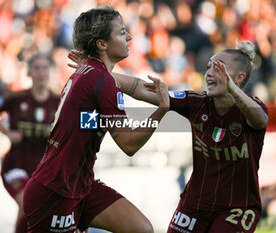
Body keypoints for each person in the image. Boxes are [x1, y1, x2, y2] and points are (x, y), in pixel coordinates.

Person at [69, 40, 269, 232]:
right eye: (208, 67)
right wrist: (98, 74)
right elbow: (142, 89)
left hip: (236, 208)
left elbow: (260, 120)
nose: (208, 72)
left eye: (218, 67)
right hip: (195, 204)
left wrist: (232, 89)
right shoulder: (196, 103)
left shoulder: (253, 108)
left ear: (239, 77)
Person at [23, 6, 170, 233]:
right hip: (55, 191)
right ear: (102, 44)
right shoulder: (101, 81)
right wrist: (160, 113)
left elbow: (91, 120)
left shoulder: (91, 73)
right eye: (121, 32)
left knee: (141, 229)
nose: (129, 36)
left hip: (81, 185)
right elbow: (128, 144)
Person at [0, 54, 60, 233]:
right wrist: (6, 132)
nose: (41, 72)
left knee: (33, 210)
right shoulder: (15, 98)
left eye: (44, 68)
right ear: (29, 73)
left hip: (43, 170)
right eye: (37, 68)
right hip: (15, 166)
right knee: (28, 202)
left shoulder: (59, 102)